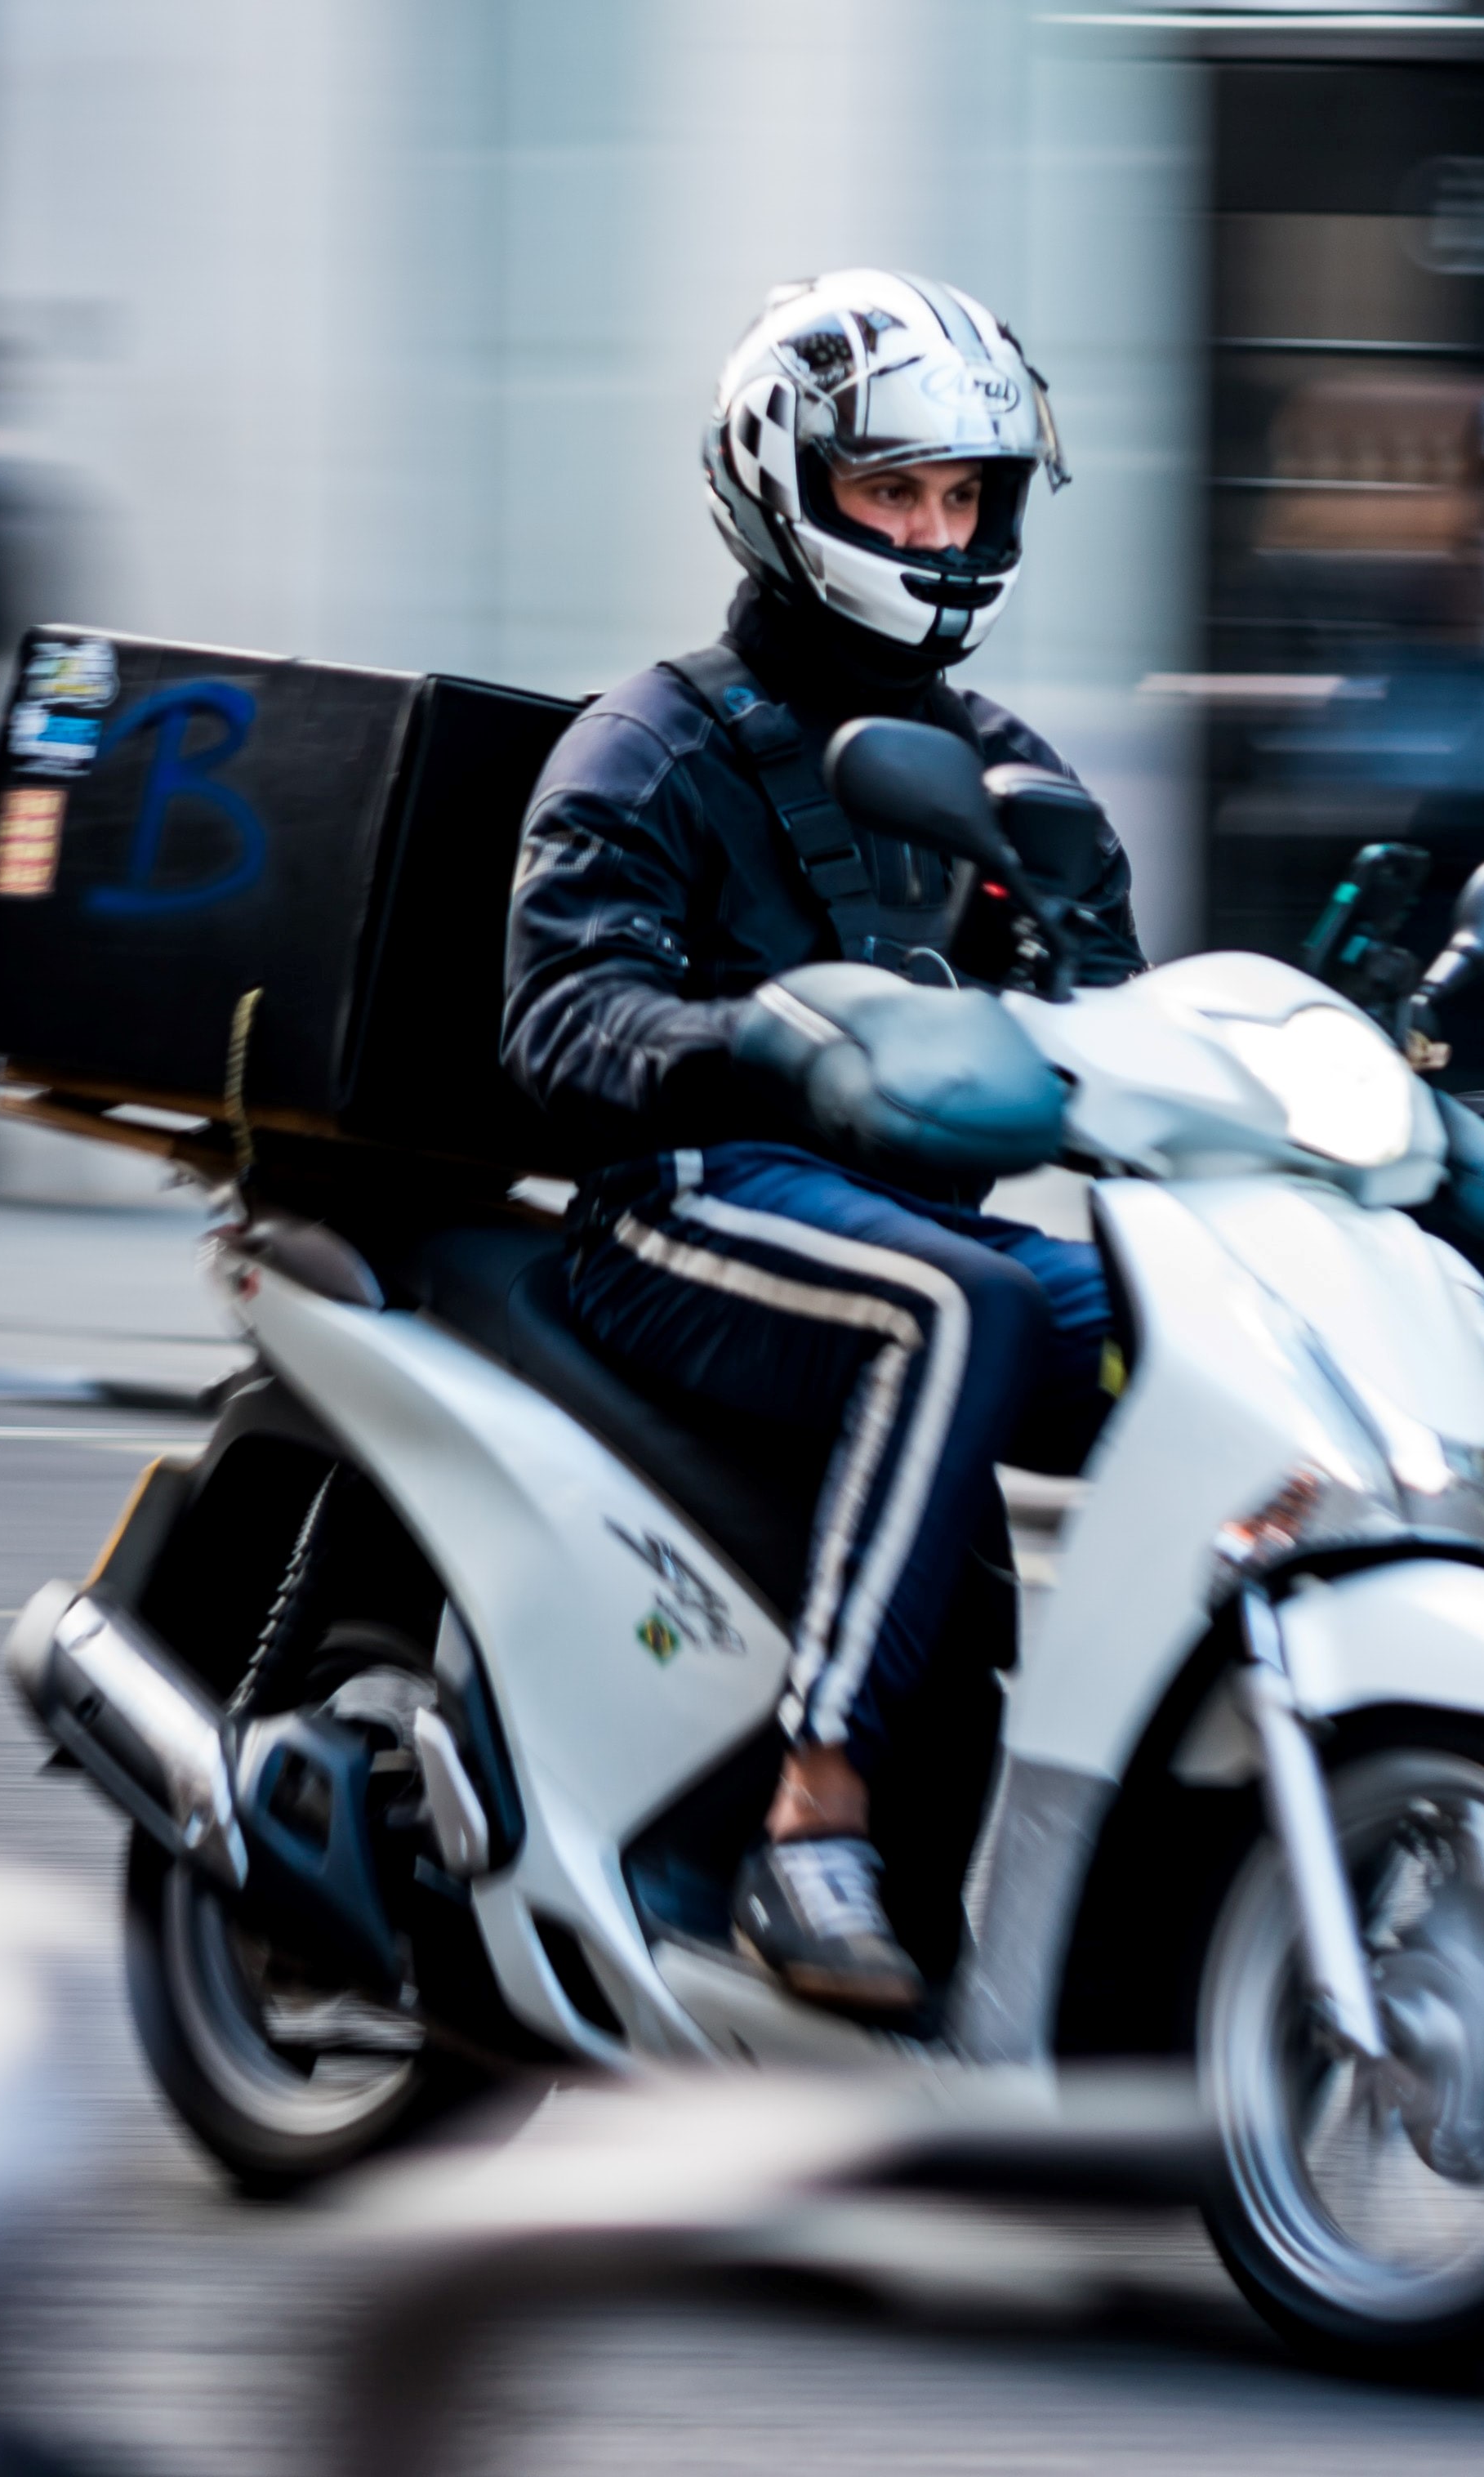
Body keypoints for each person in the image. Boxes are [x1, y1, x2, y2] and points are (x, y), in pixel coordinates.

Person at [502, 271, 1144, 2018]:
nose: (935, 531)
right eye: (894, 493)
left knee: (1193, 1338)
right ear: (787, 488)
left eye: (963, 497)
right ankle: (812, 1816)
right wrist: (768, 1039)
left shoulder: (1008, 775)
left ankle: (1167, 1818)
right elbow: (558, 1028)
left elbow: (1115, 1029)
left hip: (901, 1227)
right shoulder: (655, 745)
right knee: (955, 1310)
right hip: (681, 1209)